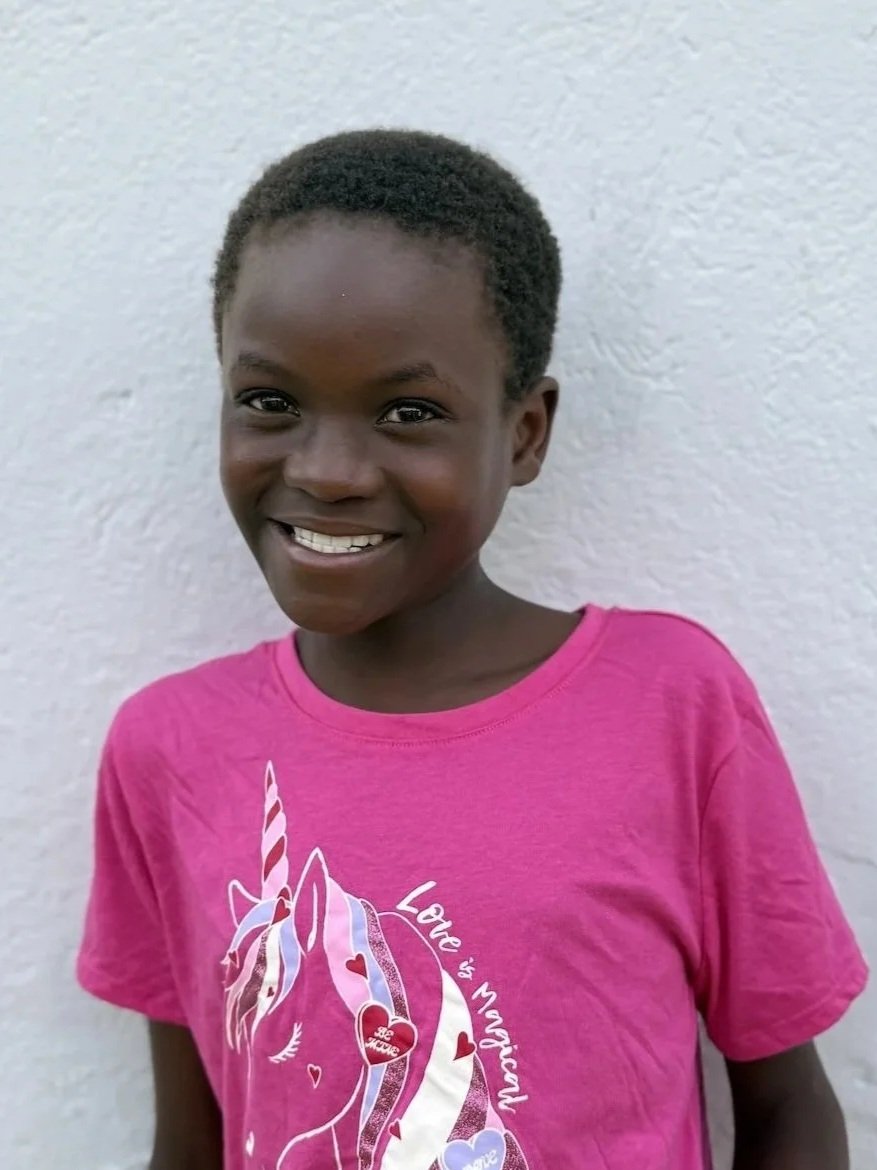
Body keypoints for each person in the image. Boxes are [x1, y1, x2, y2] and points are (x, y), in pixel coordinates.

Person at [77, 128, 867, 1170]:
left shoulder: (670, 707)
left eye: (409, 412)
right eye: (270, 402)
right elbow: (195, 1139)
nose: (328, 470)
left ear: (525, 433)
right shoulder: (167, 751)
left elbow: (790, 1110)